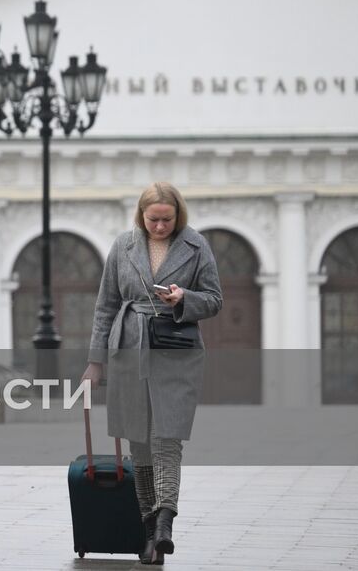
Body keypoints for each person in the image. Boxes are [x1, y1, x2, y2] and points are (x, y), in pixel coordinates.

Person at [82, 182, 222, 565]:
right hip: (127, 346)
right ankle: (149, 535)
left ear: (179, 216)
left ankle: (165, 524)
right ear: (141, 216)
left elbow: (214, 299)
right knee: (139, 443)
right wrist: (96, 362)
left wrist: (184, 299)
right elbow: (105, 306)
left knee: (167, 438)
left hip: (176, 350)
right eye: (153, 219)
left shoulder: (196, 246)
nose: (160, 227)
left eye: (167, 219)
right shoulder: (122, 246)